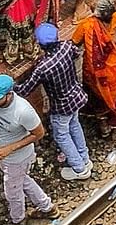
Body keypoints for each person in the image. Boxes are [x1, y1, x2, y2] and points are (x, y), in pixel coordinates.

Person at [0, 74, 56, 225]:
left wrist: (10, 148)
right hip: (3, 155)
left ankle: (18, 221)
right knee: (22, 181)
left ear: (8, 95)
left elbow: (39, 133)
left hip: (18, 158)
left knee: (12, 192)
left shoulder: (23, 111)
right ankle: (47, 207)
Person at [15, 23, 91, 181]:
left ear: (40, 45)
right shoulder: (67, 47)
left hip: (61, 106)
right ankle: (84, 158)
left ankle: (79, 168)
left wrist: (11, 84)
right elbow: (76, 53)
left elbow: (24, 90)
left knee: (62, 135)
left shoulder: (42, 68)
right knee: (74, 126)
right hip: (76, 97)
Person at [72, 0, 116, 138]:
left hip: (93, 73)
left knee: (97, 98)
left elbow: (74, 42)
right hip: (113, 70)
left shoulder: (87, 25)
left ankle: (103, 125)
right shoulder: (113, 20)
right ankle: (115, 125)